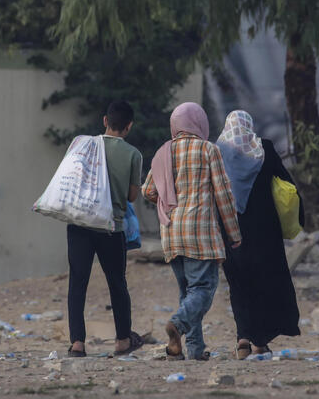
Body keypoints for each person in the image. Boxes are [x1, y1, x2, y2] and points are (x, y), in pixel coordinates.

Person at [142, 102, 242, 360]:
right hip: (200, 233)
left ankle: (193, 350)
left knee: (188, 293)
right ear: (200, 123)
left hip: (172, 233)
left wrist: (169, 200)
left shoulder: (164, 151)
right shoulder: (208, 150)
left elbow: (148, 190)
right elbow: (223, 195)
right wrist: (234, 233)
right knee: (204, 289)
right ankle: (177, 324)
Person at [215, 110, 301, 359]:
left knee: (238, 283)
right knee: (263, 281)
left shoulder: (217, 151)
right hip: (265, 230)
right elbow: (286, 182)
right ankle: (260, 342)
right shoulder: (264, 148)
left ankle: (243, 338)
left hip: (229, 227)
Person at [67, 101, 145, 358]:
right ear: (129, 126)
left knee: (78, 282)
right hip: (111, 226)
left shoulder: (84, 145)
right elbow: (132, 196)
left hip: (79, 224)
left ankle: (77, 343)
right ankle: (123, 340)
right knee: (117, 283)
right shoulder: (133, 154)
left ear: (105, 121)